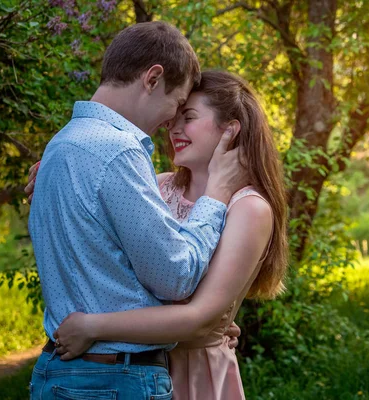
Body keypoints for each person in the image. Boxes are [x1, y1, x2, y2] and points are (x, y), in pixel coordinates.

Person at [27, 22, 247, 400]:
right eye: (177, 104)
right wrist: (218, 193)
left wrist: (209, 325)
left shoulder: (60, 146)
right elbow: (175, 276)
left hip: (58, 373)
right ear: (152, 78)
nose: (170, 121)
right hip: (110, 381)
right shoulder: (120, 152)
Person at [49, 70, 289, 400]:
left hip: (194, 374)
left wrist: (92, 327)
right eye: (173, 117)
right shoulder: (158, 186)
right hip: (134, 369)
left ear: (230, 129)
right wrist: (46, 171)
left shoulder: (249, 209)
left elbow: (199, 319)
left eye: (188, 118)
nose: (173, 127)